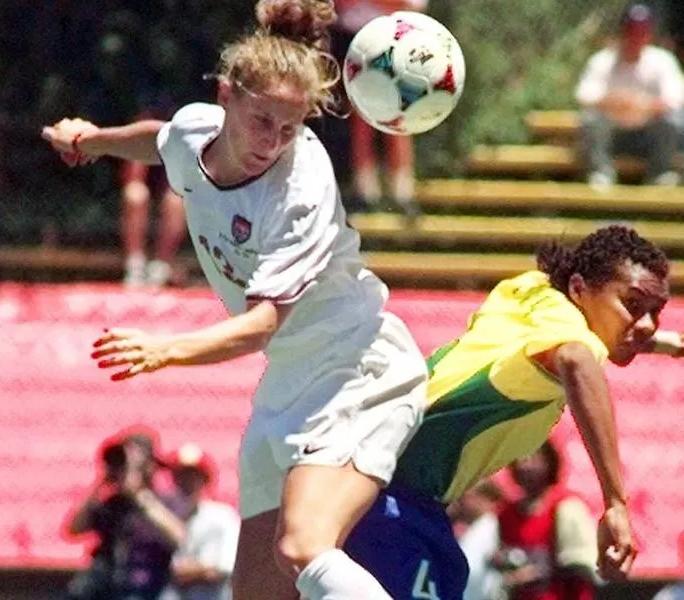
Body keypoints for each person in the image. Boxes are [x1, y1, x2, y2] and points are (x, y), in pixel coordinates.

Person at [42, 2, 428, 599]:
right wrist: (93, 141)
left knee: (302, 547)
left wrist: (165, 351)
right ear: (227, 96)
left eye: (288, 128)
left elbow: (264, 323)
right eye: (261, 120)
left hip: (358, 370)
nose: (272, 141)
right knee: (256, 592)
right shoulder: (200, 127)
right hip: (290, 383)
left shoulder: (301, 185)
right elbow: (162, 142)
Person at [341, 225, 684, 599]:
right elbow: (578, 357)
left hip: (354, 473)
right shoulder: (574, 343)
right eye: (633, 305)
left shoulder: (533, 290)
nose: (648, 323)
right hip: (390, 497)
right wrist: (615, 503)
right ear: (578, 288)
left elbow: (592, 336)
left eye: (657, 310)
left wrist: (673, 342)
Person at [63, 429, 188, 600]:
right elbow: (73, 529)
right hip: (106, 586)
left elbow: (181, 537)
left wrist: (139, 496)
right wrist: (101, 483)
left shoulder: (167, 501)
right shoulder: (112, 504)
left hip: (147, 587)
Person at [575, 3, 684, 189]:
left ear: (650, 34)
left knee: (674, 120)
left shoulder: (663, 61)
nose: (636, 36)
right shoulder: (602, 60)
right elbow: (584, 96)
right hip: (613, 134)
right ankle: (601, 173)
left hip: (647, 134)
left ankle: (659, 174)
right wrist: (617, 101)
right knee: (590, 119)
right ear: (622, 32)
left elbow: (677, 99)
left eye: (642, 31)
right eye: (631, 30)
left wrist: (640, 104)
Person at [332, 0, 426, 219]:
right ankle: (365, 190)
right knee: (359, 116)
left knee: (398, 112)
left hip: (393, 35)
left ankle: (402, 192)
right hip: (353, 34)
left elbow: (414, 5)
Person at [493, 441, 598, 600]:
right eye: (519, 460)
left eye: (532, 459)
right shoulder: (506, 513)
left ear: (549, 462)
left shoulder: (566, 506)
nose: (524, 466)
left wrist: (538, 573)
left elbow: (583, 564)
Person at [161, 443, 240, 600]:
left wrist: (187, 571)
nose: (186, 482)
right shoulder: (171, 514)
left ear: (205, 479)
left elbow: (223, 567)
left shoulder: (222, 516)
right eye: (180, 475)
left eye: (192, 475)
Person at [119, 121, 187, 287]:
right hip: (143, 148)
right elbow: (133, 177)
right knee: (135, 194)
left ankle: (160, 267)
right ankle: (135, 266)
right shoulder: (143, 121)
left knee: (176, 200)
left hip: (172, 178)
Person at [448, 480, 504, 600]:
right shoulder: (471, 527)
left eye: (466, 496)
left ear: (484, 498)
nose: (460, 500)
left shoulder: (489, 526)